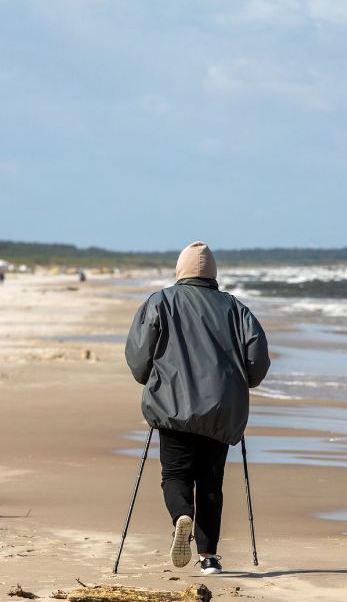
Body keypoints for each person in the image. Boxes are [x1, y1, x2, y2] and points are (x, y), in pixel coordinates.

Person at [125, 241, 270, 575]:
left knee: (174, 474)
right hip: (220, 409)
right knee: (210, 483)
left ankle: (181, 517)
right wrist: (241, 383)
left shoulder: (160, 302)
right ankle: (208, 557)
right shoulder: (236, 309)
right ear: (213, 273)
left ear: (180, 270)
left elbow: (138, 357)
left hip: (172, 407)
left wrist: (150, 379)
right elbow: (257, 361)